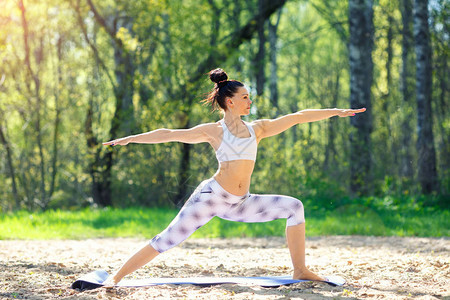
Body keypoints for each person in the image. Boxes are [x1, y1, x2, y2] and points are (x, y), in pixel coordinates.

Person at [102, 68, 366, 285]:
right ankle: (115, 278)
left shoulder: (258, 129)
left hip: (242, 202)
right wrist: (130, 139)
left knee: (295, 207)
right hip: (212, 198)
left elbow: (297, 117)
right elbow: (168, 133)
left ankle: (300, 270)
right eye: (245, 97)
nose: (250, 101)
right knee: (167, 239)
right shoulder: (213, 131)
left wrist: (337, 111)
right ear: (230, 101)